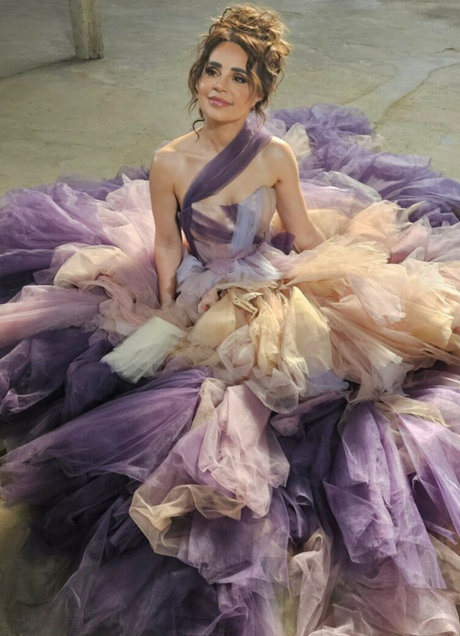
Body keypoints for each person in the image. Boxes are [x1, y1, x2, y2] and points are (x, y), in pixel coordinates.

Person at [0, 4, 460, 635]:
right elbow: (168, 242)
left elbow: (300, 233)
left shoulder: (274, 155)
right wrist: (169, 302)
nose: (219, 86)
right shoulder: (170, 160)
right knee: (179, 382)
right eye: (212, 71)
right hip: (201, 281)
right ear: (197, 76)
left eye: (239, 77)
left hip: (264, 275)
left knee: (315, 374)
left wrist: (343, 275)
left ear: (260, 91)